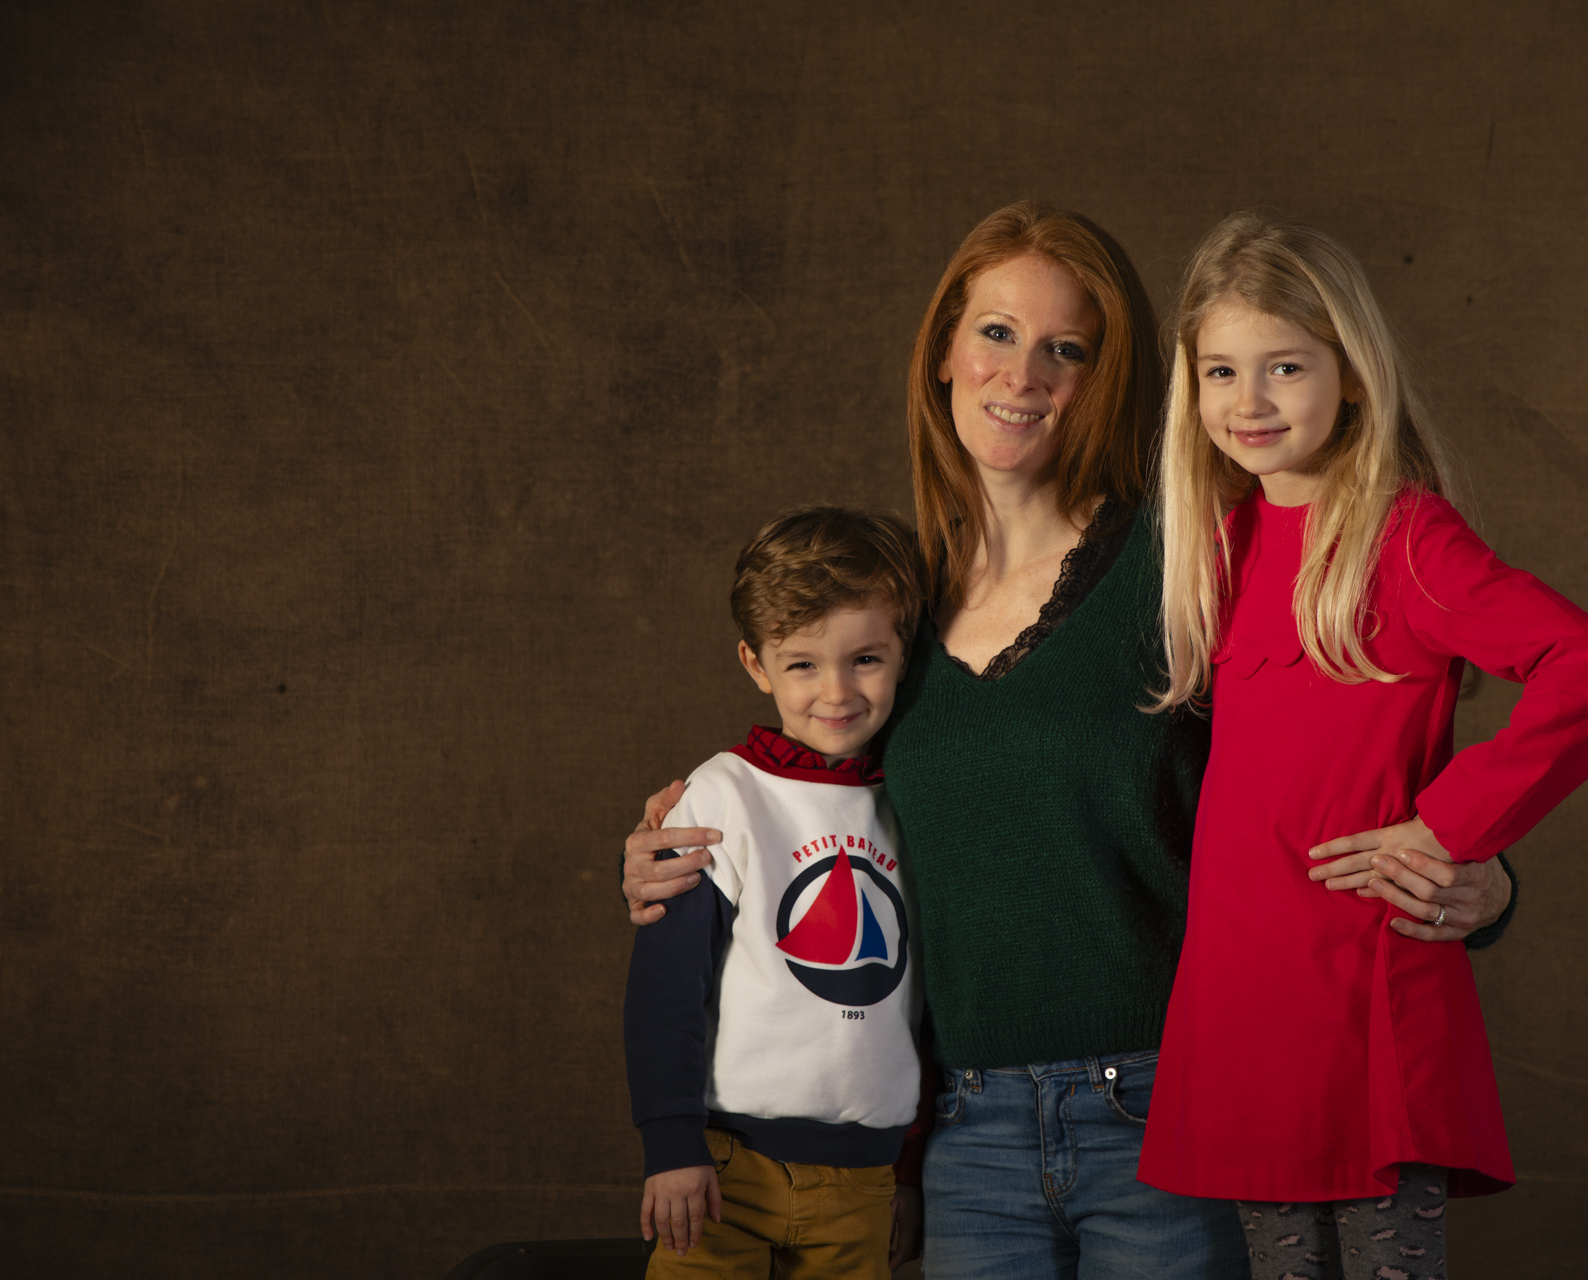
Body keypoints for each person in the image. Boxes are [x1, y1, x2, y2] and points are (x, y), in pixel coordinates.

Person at [623, 201, 1518, 1279]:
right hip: (965, 1136)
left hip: (1167, 1108)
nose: (1023, 374)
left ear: (1109, 377)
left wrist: (1478, 868)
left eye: (1068, 349)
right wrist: (692, 844)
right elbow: (821, 808)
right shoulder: (892, 600)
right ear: (944, 351)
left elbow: (1350, 737)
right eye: (997, 333)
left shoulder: (1191, 555)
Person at [1135, 211, 1588, 1280]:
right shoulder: (1216, 544)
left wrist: (1450, 827)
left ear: (1354, 375)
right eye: (1221, 371)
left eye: (1285, 366)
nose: (1249, 400)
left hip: (1365, 995)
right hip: (1243, 1004)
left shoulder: (1404, 538)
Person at [624, 506, 930, 1278]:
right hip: (722, 1169)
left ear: (904, 652)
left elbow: (928, 1009)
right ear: (756, 664)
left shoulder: (920, 800)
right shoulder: (721, 796)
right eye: (801, 665)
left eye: (866, 658)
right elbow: (665, 988)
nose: (836, 691)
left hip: (865, 1179)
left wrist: (907, 1171)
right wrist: (670, 1144)